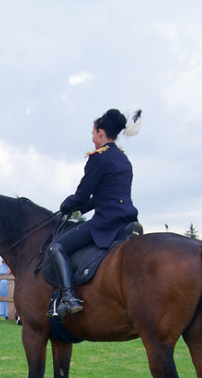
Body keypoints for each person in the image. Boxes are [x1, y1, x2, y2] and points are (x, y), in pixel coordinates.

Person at [51, 108, 142, 320]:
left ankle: (69, 296)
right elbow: (106, 195)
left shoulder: (98, 158)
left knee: (56, 247)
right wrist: (80, 206)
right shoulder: (123, 158)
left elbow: (82, 195)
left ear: (101, 132)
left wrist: (67, 205)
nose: (92, 138)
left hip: (106, 222)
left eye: (93, 133)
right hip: (127, 220)